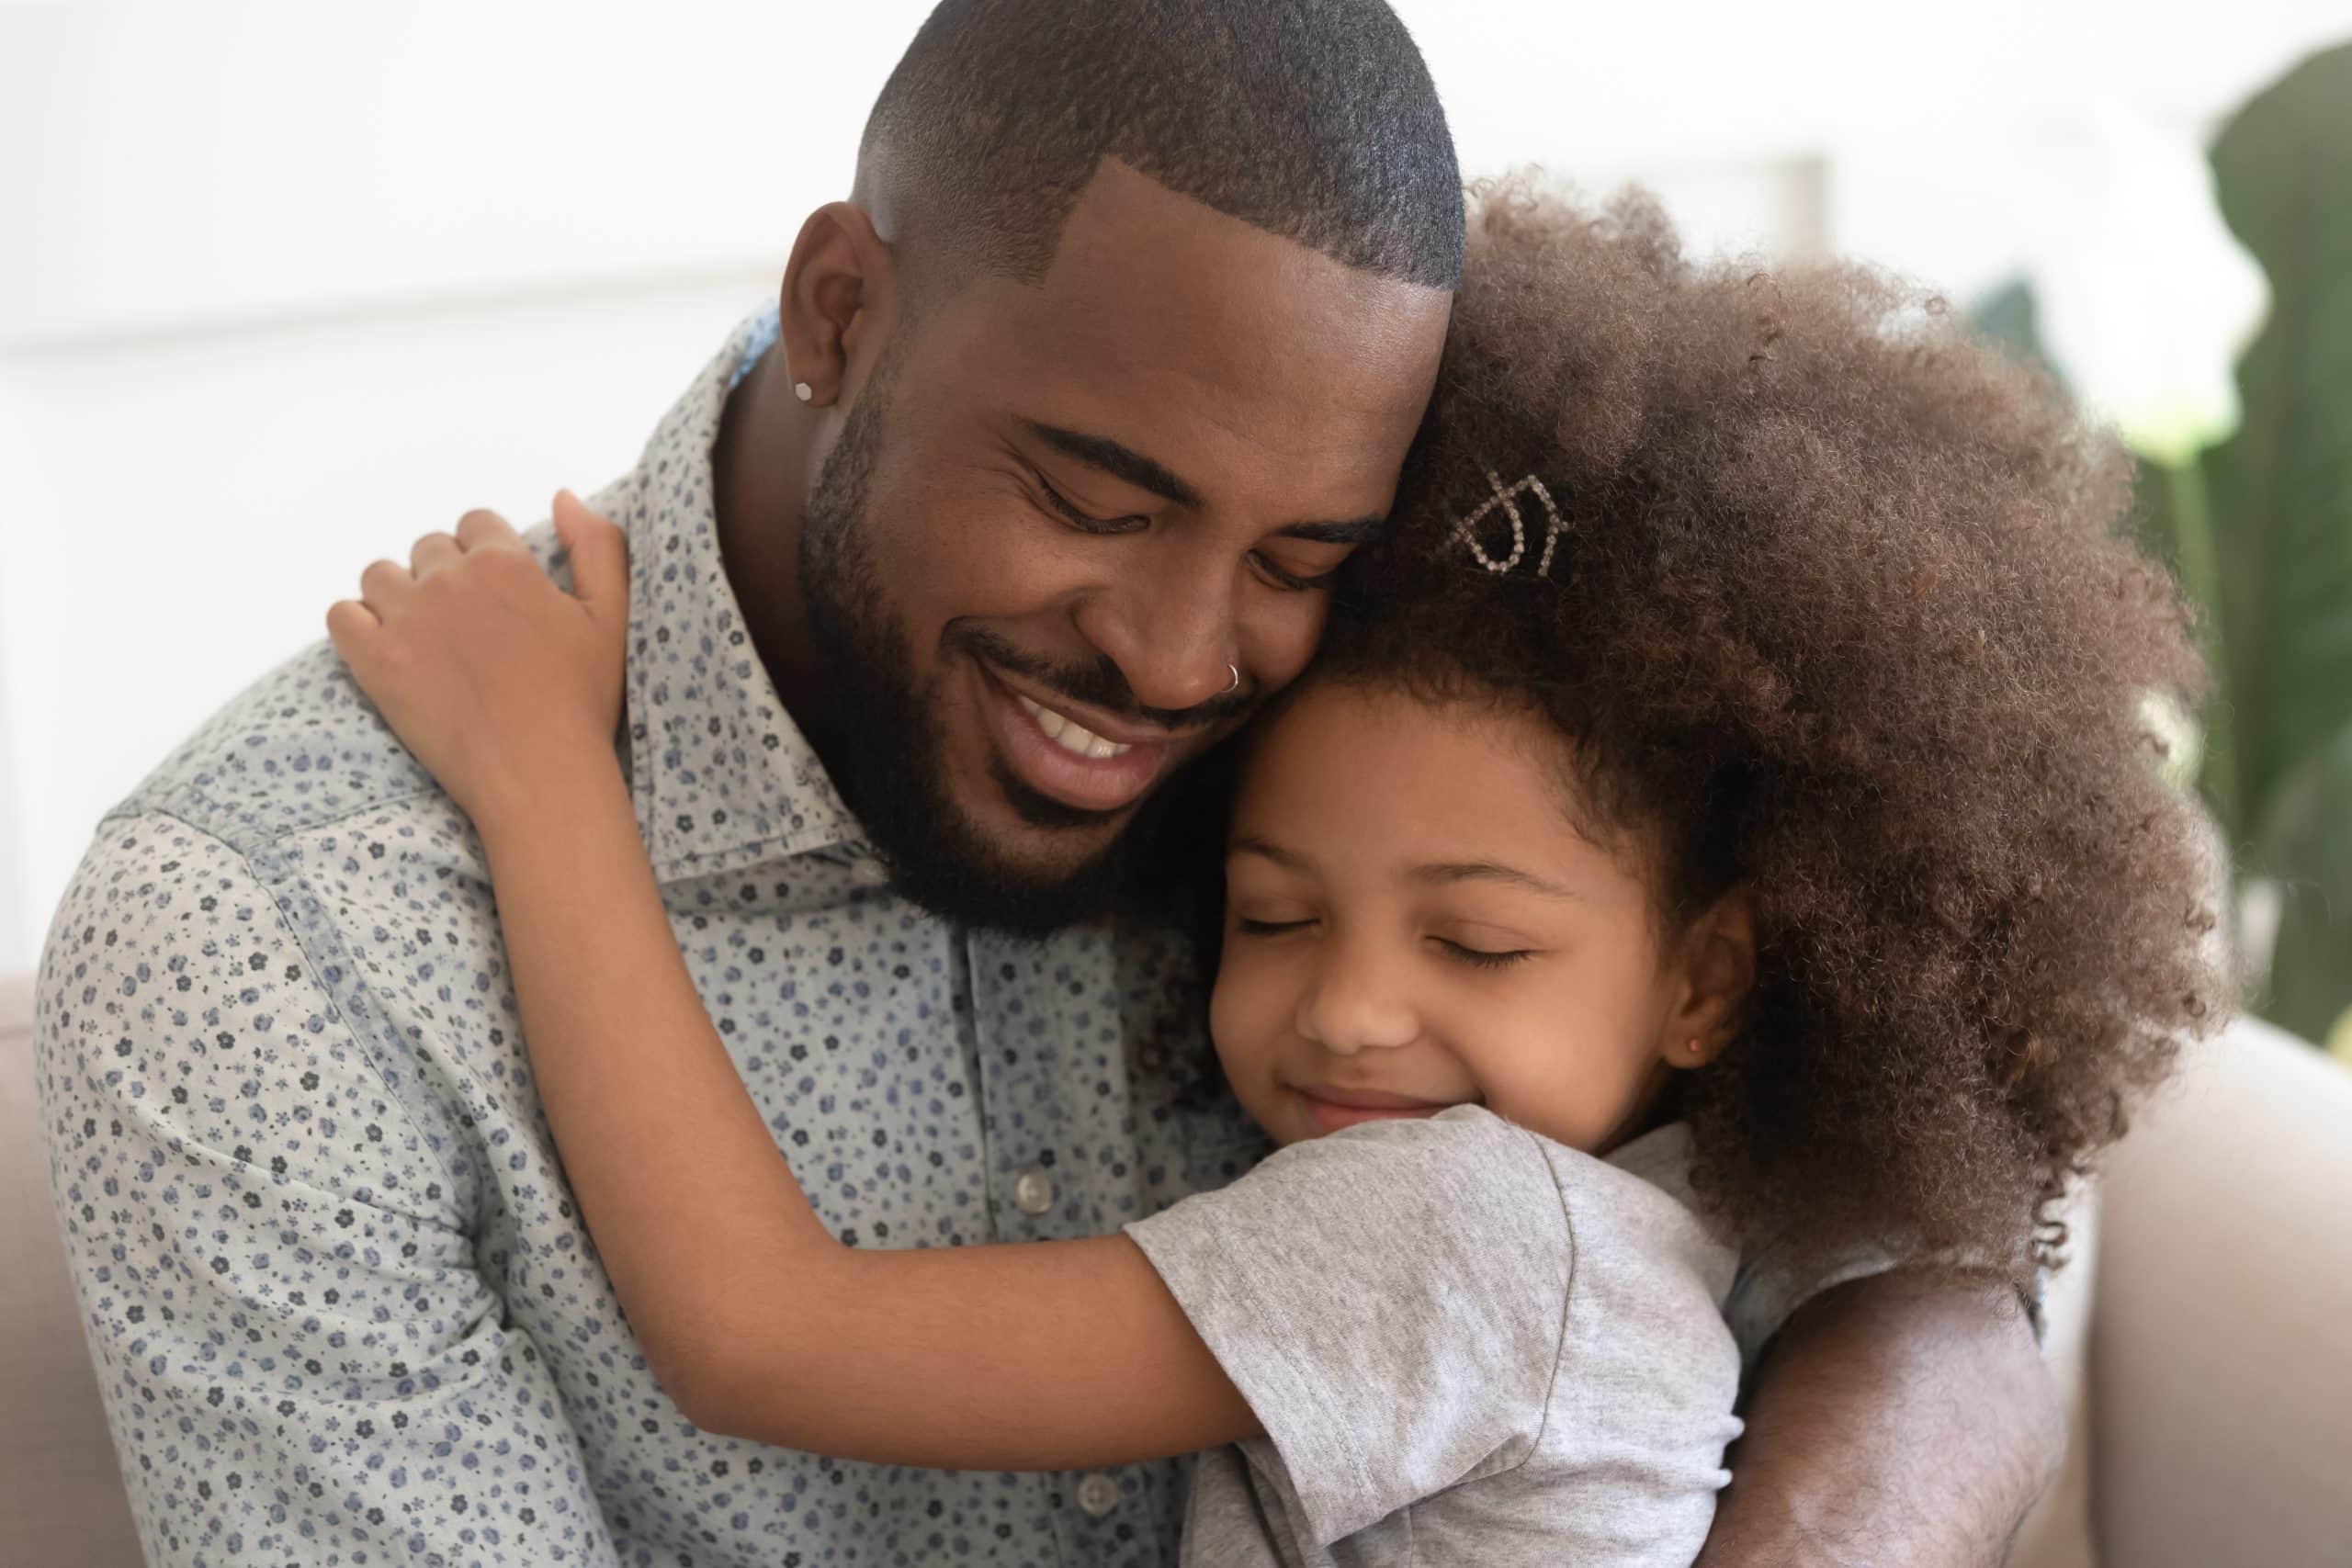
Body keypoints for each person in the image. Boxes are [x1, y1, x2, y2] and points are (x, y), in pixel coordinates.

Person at [34, 6, 2063, 1565]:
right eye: (1093, 500)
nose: (1186, 662)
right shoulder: (278, 943)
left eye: (1291, 561)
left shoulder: (1388, 692)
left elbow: (1929, 1262)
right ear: (842, 309)